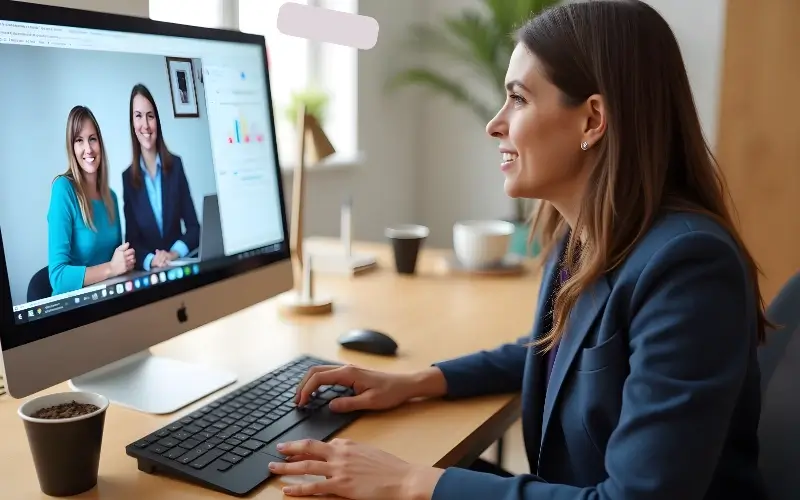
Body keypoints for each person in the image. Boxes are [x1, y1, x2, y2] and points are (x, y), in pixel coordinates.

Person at [269, 2, 770, 500]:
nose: (495, 124)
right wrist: (416, 382)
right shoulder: (583, 238)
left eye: (519, 99)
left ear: (592, 120)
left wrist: (409, 481)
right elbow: (555, 353)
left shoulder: (688, 268)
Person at [48, 105, 135, 296]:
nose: (88, 149)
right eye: (79, 140)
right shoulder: (63, 190)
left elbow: (118, 259)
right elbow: (58, 276)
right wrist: (111, 268)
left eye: (92, 139)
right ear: (72, 148)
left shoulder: (110, 196)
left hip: (108, 300)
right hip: (73, 310)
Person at [121, 83, 200, 271]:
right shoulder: (128, 179)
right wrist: (152, 260)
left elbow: (194, 228)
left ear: (157, 121)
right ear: (132, 124)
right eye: (138, 116)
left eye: (150, 116)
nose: (146, 125)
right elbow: (132, 242)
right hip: (151, 275)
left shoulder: (176, 166)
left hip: (179, 265)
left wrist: (173, 253)